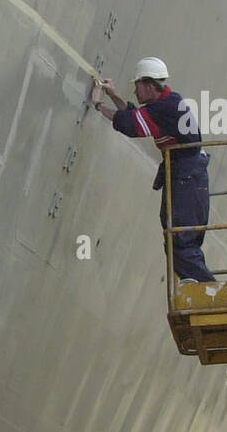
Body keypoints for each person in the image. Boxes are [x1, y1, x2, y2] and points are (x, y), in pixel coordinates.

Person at [92, 57, 215, 283]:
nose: (135, 90)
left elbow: (129, 124)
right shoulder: (168, 103)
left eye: (137, 85)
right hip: (188, 176)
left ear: (149, 85)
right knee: (177, 238)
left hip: (186, 178)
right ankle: (200, 286)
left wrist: (98, 104)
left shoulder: (166, 108)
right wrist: (112, 94)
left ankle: (209, 291)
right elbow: (135, 115)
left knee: (180, 239)